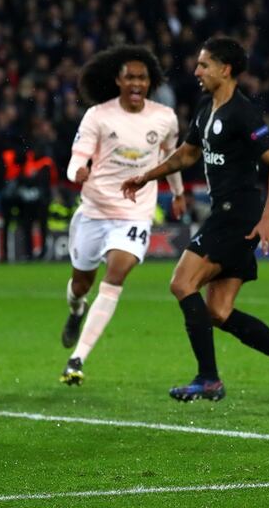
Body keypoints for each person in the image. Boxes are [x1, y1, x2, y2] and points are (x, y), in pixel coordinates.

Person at [122, 37, 269, 406]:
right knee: (218, 311)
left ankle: (208, 378)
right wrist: (146, 176)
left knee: (182, 283)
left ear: (224, 69)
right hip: (226, 214)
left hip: (236, 216)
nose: (196, 71)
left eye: (204, 65)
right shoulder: (205, 107)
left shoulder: (242, 113)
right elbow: (186, 155)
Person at [59, 45, 186, 385]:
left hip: (135, 213)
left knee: (116, 274)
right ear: (118, 80)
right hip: (95, 210)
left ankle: (77, 359)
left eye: (142, 77)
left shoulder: (164, 118)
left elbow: (169, 158)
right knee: (80, 283)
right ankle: (75, 309)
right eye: (130, 76)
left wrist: (178, 193)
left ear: (150, 82)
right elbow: (77, 157)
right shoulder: (98, 115)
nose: (136, 83)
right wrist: (78, 173)